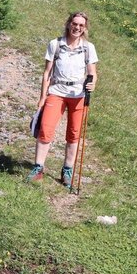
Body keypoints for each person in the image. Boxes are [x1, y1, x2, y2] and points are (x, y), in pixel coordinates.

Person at [26, 12, 98, 187]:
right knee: (45, 129)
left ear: (85, 28)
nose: (77, 28)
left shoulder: (88, 48)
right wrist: (43, 97)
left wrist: (93, 84)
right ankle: (38, 168)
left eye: (81, 25)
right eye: (75, 24)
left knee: (74, 134)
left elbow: (92, 73)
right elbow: (47, 73)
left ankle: (67, 170)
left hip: (78, 94)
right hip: (56, 91)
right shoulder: (55, 44)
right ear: (68, 24)